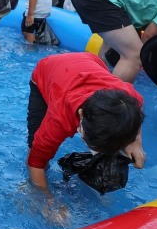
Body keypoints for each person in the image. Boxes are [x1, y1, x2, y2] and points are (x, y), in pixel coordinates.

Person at [26, 53, 144, 199]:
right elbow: (35, 162)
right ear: (80, 115)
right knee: (37, 147)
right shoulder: (59, 118)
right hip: (47, 70)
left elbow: (136, 115)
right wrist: (47, 200)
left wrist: (135, 142)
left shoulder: (129, 100)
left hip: (90, 61)